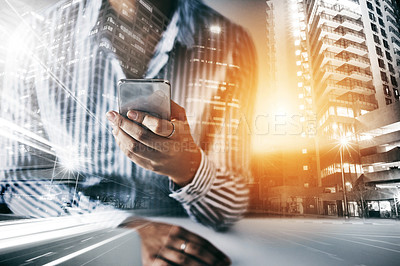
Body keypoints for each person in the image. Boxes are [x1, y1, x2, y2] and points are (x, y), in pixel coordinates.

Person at [0, 0, 257, 232]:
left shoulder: (231, 44)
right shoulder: (36, 36)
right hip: (83, 244)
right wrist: (122, 226)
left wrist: (188, 169)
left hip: (186, 239)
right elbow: (17, 181)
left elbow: (230, 205)